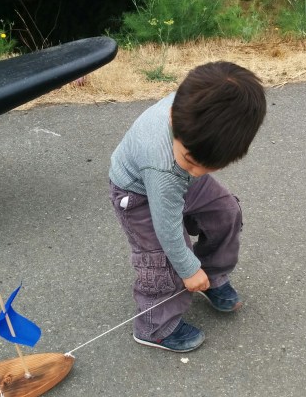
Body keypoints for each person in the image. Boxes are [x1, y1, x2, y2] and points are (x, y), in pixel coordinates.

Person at [109, 61, 266, 352]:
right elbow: (167, 229)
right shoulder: (164, 165)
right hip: (138, 194)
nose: (197, 171)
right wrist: (187, 269)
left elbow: (191, 169)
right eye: (192, 161)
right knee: (163, 257)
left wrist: (190, 165)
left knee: (225, 212)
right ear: (172, 119)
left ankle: (211, 274)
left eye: (209, 166)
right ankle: (154, 327)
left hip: (174, 180)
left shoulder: (193, 113)